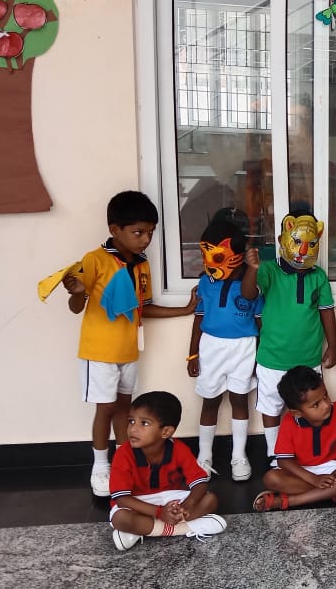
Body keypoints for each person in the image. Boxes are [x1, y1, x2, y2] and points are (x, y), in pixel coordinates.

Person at [61, 190, 198, 497]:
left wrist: (185, 310)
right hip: (99, 351)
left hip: (129, 350)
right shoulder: (95, 260)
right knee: (106, 408)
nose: (146, 239)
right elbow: (76, 306)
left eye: (150, 232)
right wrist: (77, 292)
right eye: (138, 233)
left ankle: (127, 463)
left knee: (126, 408)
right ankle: (101, 467)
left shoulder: (141, 264)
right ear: (115, 229)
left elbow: (142, 307)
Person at [241, 212, 336, 465]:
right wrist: (252, 269)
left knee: (310, 407)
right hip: (273, 359)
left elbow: (326, 312)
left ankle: (307, 453)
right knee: (271, 407)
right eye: (297, 242)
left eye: (310, 243)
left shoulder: (318, 276)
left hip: (308, 359)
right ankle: (274, 453)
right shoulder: (269, 270)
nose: (303, 250)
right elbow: (249, 294)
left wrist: (333, 346)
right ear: (281, 239)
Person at [186, 215, 262, 481]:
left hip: (243, 347)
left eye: (217, 256)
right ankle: (204, 454)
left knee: (239, 400)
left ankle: (238, 455)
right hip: (211, 347)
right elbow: (199, 318)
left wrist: (260, 356)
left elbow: (253, 304)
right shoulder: (206, 282)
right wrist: (193, 353)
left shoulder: (250, 283)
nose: (209, 262)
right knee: (210, 401)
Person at [109, 391, 227, 551]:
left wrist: (186, 506)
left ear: (166, 432)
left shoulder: (179, 449)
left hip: (172, 500)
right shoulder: (123, 454)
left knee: (210, 499)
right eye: (131, 421)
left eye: (144, 423)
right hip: (138, 502)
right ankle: (187, 527)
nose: (133, 429)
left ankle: (143, 530)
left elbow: (200, 483)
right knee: (121, 518)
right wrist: (159, 513)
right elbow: (122, 499)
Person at [252, 366, 336, 512]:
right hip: (302, 472)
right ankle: (335, 492)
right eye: (316, 404)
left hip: (334, 468)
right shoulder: (289, 423)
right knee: (271, 479)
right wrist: (314, 479)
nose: (326, 405)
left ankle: (290, 501)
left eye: (325, 396)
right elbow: (284, 461)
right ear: (297, 413)